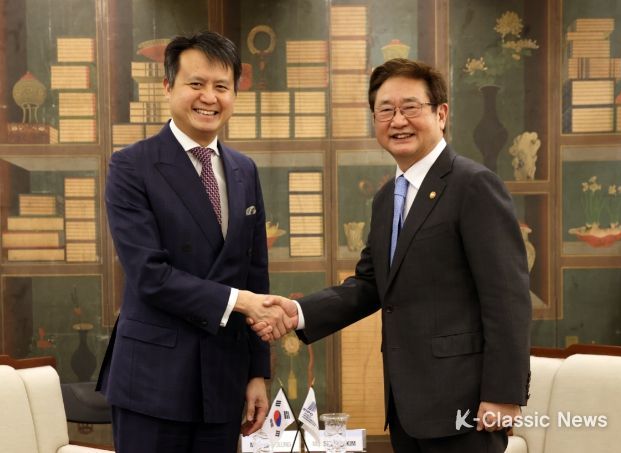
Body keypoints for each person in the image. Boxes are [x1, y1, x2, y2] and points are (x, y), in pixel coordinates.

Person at [251, 58, 531, 453]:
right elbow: (370, 285)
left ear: (441, 114)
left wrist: (503, 395)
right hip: (407, 406)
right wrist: (296, 313)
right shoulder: (387, 198)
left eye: (410, 107)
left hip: (464, 405)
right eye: (386, 110)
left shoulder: (473, 185)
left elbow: (507, 297)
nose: (398, 120)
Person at [96, 31, 293, 453]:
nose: (209, 97)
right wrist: (239, 301)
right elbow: (150, 276)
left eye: (222, 86)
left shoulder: (244, 170)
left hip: (222, 381)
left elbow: (255, 274)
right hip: (152, 381)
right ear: (168, 87)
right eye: (196, 83)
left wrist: (256, 373)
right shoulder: (131, 166)